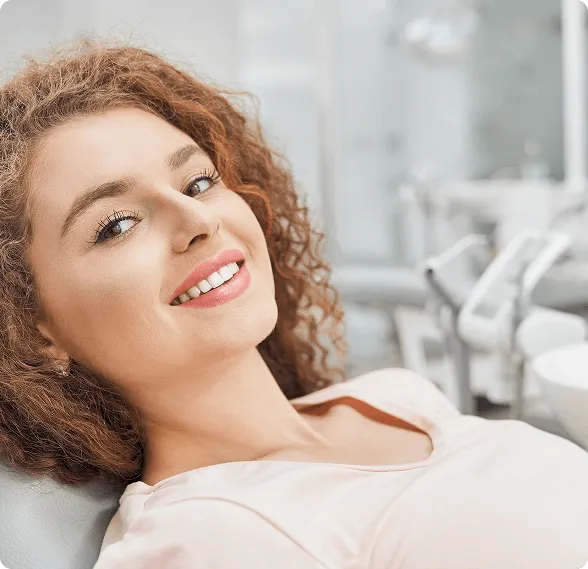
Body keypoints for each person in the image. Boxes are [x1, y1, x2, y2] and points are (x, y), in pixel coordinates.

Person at [0, 40, 586, 569]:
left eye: (198, 182)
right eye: (118, 224)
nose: (197, 219)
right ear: (33, 332)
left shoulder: (388, 396)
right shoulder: (199, 539)